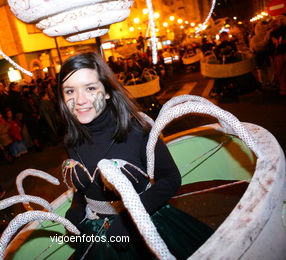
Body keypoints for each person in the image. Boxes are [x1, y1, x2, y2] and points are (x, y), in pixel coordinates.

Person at [57, 52, 213, 259]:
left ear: (107, 92)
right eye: (70, 91)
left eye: (90, 88)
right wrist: (77, 206)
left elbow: (170, 179)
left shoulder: (138, 130)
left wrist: (130, 219)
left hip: (146, 226)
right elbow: (86, 185)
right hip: (98, 235)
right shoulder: (71, 140)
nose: (79, 100)